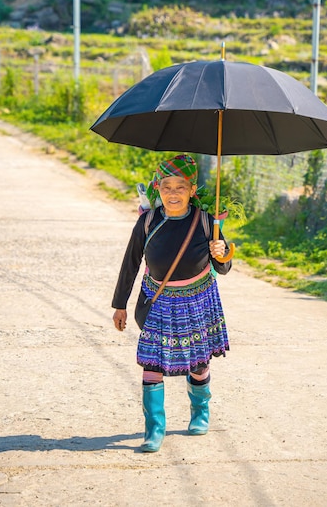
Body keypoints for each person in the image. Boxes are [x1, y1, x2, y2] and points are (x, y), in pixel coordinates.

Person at [112, 154, 231, 452]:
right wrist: (120, 304)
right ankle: (154, 429)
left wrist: (221, 250)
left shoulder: (205, 222)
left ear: (192, 190)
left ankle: (200, 412)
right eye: (167, 186)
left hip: (198, 301)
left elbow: (225, 268)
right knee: (152, 363)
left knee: (198, 361)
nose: (173, 192)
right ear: (158, 188)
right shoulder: (148, 221)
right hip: (157, 301)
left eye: (181, 186)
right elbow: (130, 263)